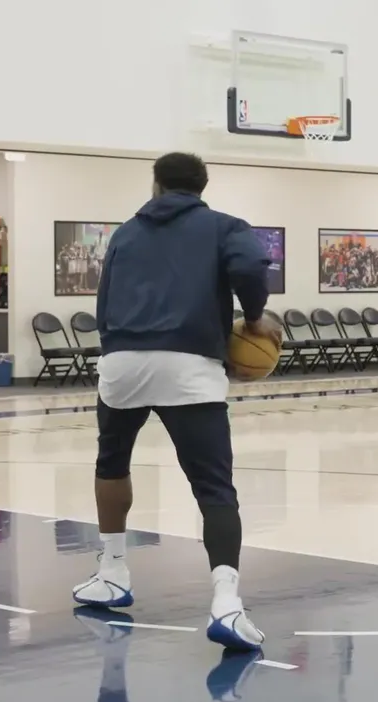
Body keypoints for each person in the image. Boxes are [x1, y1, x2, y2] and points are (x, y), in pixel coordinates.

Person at [71, 152, 281, 652]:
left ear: (157, 184)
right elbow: (251, 266)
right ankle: (226, 603)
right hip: (189, 363)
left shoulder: (125, 233)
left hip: (122, 360)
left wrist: (119, 348)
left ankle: (112, 572)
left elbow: (104, 300)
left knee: (111, 463)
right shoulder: (224, 227)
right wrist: (254, 317)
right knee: (213, 485)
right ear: (202, 187)